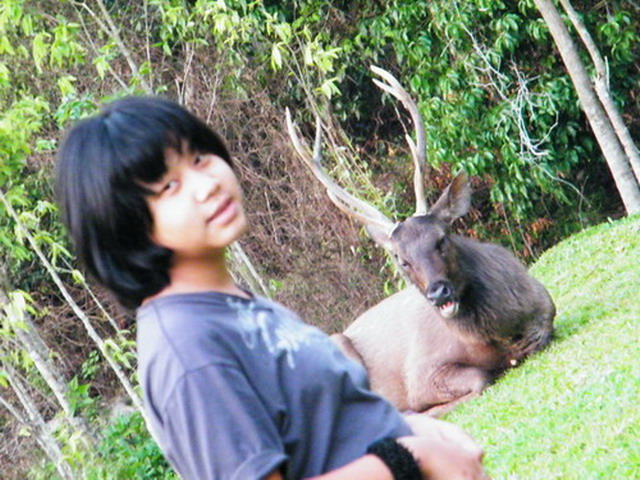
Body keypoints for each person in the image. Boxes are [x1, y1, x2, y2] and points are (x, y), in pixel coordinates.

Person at [56, 96, 489, 480]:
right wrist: (413, 458)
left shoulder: (236, 306)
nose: (206, 185)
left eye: (200, 158)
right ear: (126, 228)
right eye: (169, 186)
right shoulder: (189, 349)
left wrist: (415, 429)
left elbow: (328, 432)